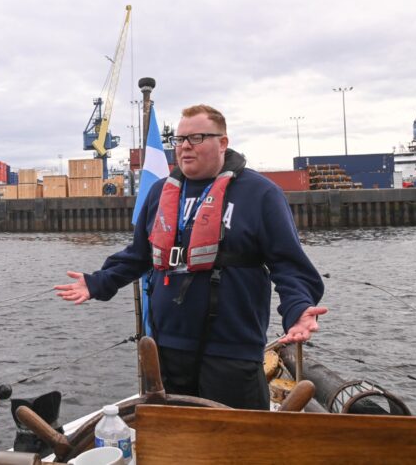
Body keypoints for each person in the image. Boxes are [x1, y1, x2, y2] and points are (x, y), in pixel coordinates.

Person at [55, 104, 326, 410]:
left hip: (231, 349)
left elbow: (289, 265)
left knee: (235, 447)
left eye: (196, 137)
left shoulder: (261, 194)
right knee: (173, 442)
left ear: (222, 142)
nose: (184, 146)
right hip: (167, 347)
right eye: (180, 139)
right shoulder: (160, 193)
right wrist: (97, 283)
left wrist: (299, 308)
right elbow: (139, 255)